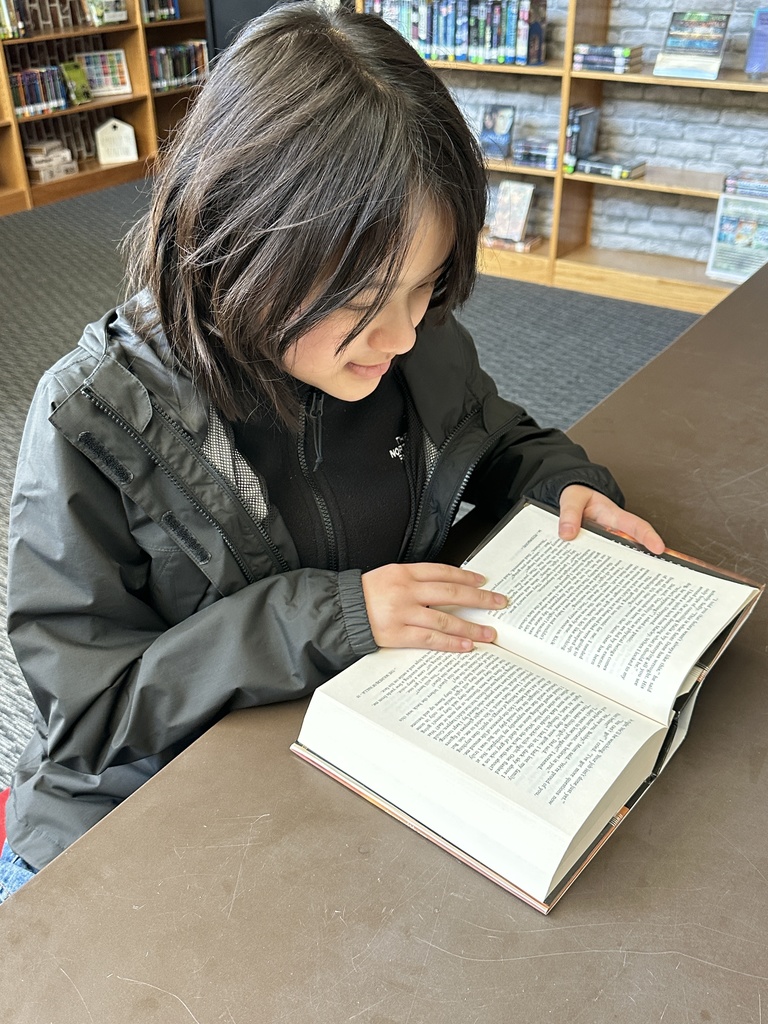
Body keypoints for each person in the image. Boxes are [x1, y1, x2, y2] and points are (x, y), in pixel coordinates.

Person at [0, 0, 663, 903]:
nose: (401, 334)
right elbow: (90, 713)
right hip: (136, 814)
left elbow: (493, 436)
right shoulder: (91, 419)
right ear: (242, 243)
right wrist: (325, 618)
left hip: (346, 765)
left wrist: (563, 484)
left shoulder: (412, 345)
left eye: (427, 286)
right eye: (361, 295)